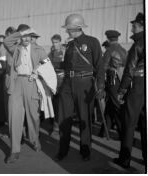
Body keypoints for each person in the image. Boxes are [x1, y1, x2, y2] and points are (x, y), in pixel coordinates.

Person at [55, 14, 105, 161]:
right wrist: (48, 63)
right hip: (67, 84)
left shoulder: (92, 42)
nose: (66, 31)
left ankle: (85, 150)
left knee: (85, 118)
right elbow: (65, 65)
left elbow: (100, 66)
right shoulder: (70, 45)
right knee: (64, 118)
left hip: (85, 84)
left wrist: (100, 86)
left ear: (76, 28)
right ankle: (63, 150)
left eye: (68, 29)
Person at [3, 24, 49, 163]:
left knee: (33, 116)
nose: (27, 38)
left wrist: (39, 74)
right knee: (14, 117)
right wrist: (20, 33)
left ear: (32, 36)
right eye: (24, 36)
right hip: (16, 83)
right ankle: (14, 150)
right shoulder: (15, 49)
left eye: (29, 35)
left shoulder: (39, 50)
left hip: (32, 83)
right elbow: (6, 41)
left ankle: (35, 140)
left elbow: (47, 66)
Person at [114, 13, 146, 170]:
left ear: (141, 26)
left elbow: (130, 69)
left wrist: (121, 90)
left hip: (138, 86)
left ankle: (124, 159)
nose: (132, 27)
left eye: (134, 25)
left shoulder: (139, 43)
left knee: (129, 123)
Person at [98, 30, 127, 139]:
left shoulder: (109, 50)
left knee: (117, 107)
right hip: (121, 80)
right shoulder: (123, 50)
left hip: (112, 81)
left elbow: (103, 68)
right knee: (110, 106)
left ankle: (125, 135)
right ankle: (104, 131)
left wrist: (100, 85)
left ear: (108, 38)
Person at [48, 34, 65, 134]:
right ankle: (55, 125)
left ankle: (59, 126)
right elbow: (47, 63)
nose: (55, 44)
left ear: (60, 41)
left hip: (62, 79)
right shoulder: (51, 52)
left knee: (61, 104)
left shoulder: (64, 51)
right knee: (54, 103)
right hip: (54, 79)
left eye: (56, 42)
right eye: (53, 42)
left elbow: (67, 64)